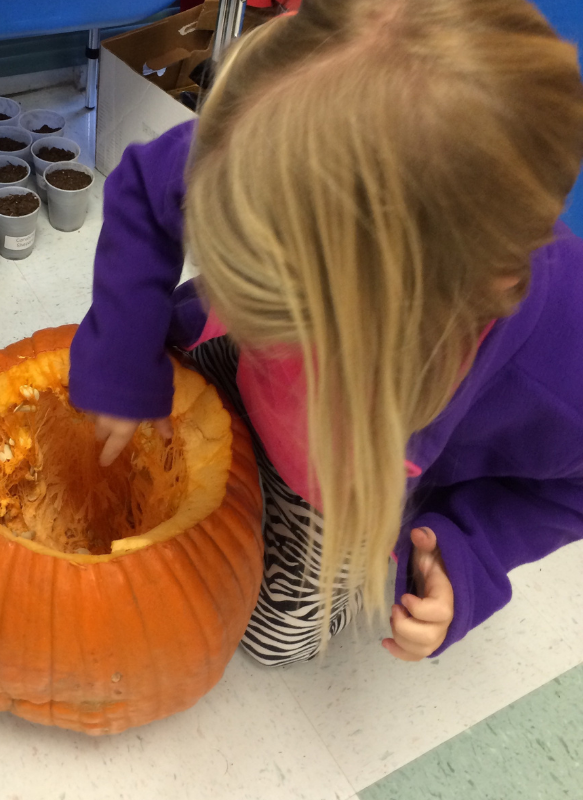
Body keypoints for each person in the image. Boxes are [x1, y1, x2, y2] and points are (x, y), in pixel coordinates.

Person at [69, 0, 583, 667]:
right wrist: (123, 359)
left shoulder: (561, 362)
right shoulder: (272, 136)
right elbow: (144, 185)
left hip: (345, 487)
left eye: (283, 309)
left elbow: (571, 489)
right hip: (249, 384)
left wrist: (469, 551)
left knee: (270, 645)